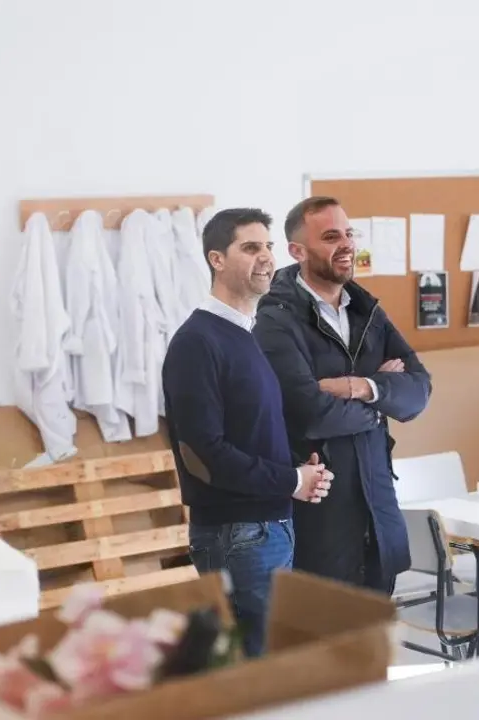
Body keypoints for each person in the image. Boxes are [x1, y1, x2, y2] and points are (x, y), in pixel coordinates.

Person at [161, 207, 333, 658]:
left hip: (265, 528)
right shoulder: (198, 342)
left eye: (269, 247)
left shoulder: (244, 335)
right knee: (258, 668)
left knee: (268, 662)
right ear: (217, 259)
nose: (266, 258)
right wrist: (291, 481)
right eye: (250, 247)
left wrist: (299, 471)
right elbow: (205, 453)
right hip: (238, 534)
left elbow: (252, 430)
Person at [253, 196, 432, 594]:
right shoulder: (275, 320)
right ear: (297, 251)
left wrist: (360, 387)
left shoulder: (366, 311)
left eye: (349, 233)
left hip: (378, 510)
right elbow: (308, 412)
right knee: (325, 644)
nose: (347, 244)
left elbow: (419, 391)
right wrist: (379, 403)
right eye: (331, 236)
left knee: (374, 648)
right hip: (322, 520)